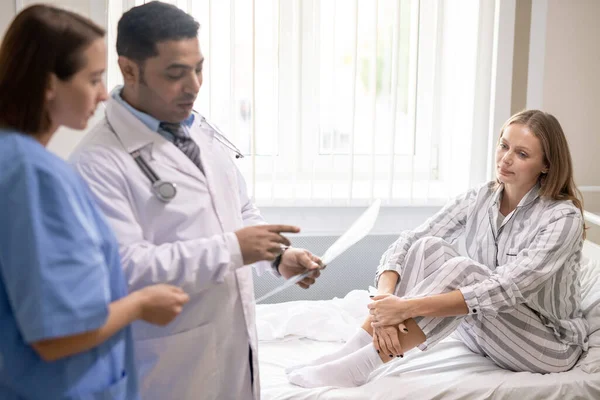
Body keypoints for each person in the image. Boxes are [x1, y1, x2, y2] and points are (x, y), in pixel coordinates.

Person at [69, 2, 322, 399]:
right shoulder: (97, 162)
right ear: (129, 69)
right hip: (167, 362)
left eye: (198, 68)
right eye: (175, 73)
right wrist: (234, 249)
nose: (194, 86)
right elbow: (124, 267)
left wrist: (274, 257)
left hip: (233, 345)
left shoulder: (198, 129)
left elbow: (239, 210)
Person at [287, 109, 589, 388]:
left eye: (521, 154)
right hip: (485, 333)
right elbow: (409, 240)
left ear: (546, 165)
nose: (505, 159)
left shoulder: (562, 217)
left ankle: (360, 365)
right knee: (427, 247)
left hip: (547, 345)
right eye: (503, 145)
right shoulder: (481, 197)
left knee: (466, 271)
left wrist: (404, 309)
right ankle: (354, 349)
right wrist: (385, 300)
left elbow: (504, 289)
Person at [0, 5, 190, 399]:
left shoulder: (12, 159)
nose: (104, 94)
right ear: (48, 83)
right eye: (94, 79)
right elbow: (57, 336)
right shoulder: (33, 174)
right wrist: (141, 303)